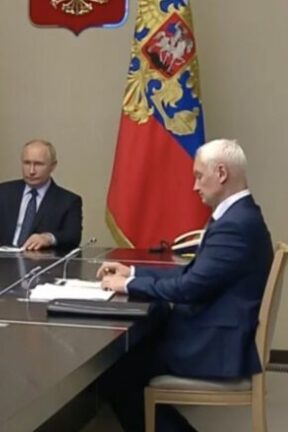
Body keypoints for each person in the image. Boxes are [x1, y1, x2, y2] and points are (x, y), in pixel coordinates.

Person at [97, 139, 273, 432]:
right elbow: (194, 275)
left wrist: (128, 284)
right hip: (216, 329)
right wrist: (134, 271)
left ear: (221, 173)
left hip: (214, 343)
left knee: (115, 373)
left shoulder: (235, 225)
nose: (194, 186)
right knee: (125, 362)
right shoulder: (241, 215)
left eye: (199, 176)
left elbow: (188, 288)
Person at [0, 139, 82, 250]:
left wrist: (48, 238)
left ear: (53, 166)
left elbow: (73, 236)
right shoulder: (2, 192)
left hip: (39, 259)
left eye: (38, 164)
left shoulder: (68, 201)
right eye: (27, 163)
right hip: (2, 258)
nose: (31, 171)